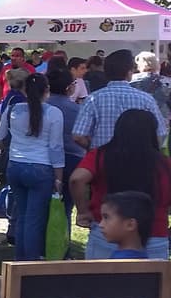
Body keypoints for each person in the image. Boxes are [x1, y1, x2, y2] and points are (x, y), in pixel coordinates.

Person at [70, 109, 171, 260]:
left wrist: (83, 211)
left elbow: (77, 179)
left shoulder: (100, 155)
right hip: (154, 233)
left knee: (101, 282)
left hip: (108, 232)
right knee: (151, 283)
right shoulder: (164, 164)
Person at [0, 73, 64, 260]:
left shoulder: (13, 109)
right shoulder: (54, 113)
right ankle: (31, 263)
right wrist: (59, 177)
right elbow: (56, 147)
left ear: (24, 90)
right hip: (41, 168)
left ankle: (20, 261)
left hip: (16, 165)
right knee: (35, 219)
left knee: (23, 216)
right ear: (46, 90)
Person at [74, 49, 168, 150]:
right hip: (137, 158)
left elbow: (78, 136)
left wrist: (94, 149)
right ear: (129, 72)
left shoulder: (93, 99)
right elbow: (161, 133)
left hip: (103, 159)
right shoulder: (146, 99)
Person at [45, 68, 86, 223]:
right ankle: (62, 243)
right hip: (71, 159)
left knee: (41, 206)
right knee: (65, 207)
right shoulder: (77, 110)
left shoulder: (40, 107)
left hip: (44, 158)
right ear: (69, 87)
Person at [101, 191, 152, 259]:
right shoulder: (142, 258)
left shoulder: (121, 262)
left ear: (130, 225)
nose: (100, 224)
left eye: (106, 217)